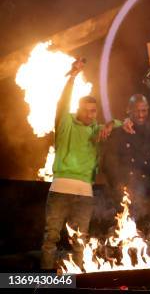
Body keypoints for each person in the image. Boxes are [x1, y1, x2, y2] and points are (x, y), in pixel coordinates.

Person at [41, 59, 115, 270]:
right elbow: (62, 103)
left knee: (79, 242)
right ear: (78, 110)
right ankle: (43, 280)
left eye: (94, 111)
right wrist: (72, 77)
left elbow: (114, 124)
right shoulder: (65, 124)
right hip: (60, 190)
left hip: (85, 194)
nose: (91, 114)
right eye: (87, 110)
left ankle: (77, 282)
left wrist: (116, 124)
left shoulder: (96, 130)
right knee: (51, 238)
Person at [102, 94, 150, 233]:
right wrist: (119, 186)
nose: (141, 115)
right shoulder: (117, 134)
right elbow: (109, 164)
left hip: (149, 194)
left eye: (144, 110)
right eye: (137, 111)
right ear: (128, 110)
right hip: (124, 194)